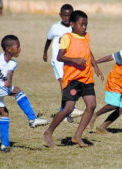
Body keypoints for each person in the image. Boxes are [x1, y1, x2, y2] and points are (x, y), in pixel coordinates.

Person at [0, 35, 50, 153]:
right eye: (17, 47)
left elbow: (10, 73)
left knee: (4, 112)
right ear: (8, 49)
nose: (20, 49)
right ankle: (32, 119)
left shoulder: (12, 63)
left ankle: (4, 145)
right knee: (17, 90)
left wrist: (8, 81)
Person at [43, 10, 104, 148]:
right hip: (72, 79)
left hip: (86, 77)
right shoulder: (67, 37)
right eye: (81, 25)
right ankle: (49, 132)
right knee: (68, 108)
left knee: (92, 105)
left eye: (86, 25)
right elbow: (60, 56)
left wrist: (95, 66)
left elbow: (88, 50)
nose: (84, 28)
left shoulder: (87, 36)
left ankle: (77, 136)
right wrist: (74, 60)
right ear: (72, 24)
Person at [42, 4, 84, 122]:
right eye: (64, 15)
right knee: (63, 82)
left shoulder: (74, 27)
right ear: (60, 15)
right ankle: (72, 108)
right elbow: (48, 40)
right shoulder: (55, 27)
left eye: (69, 15)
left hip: (69, 59)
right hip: (57, 60)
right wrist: (45, 52)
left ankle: (64, 112)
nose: (66, 18)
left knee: (71, 83)